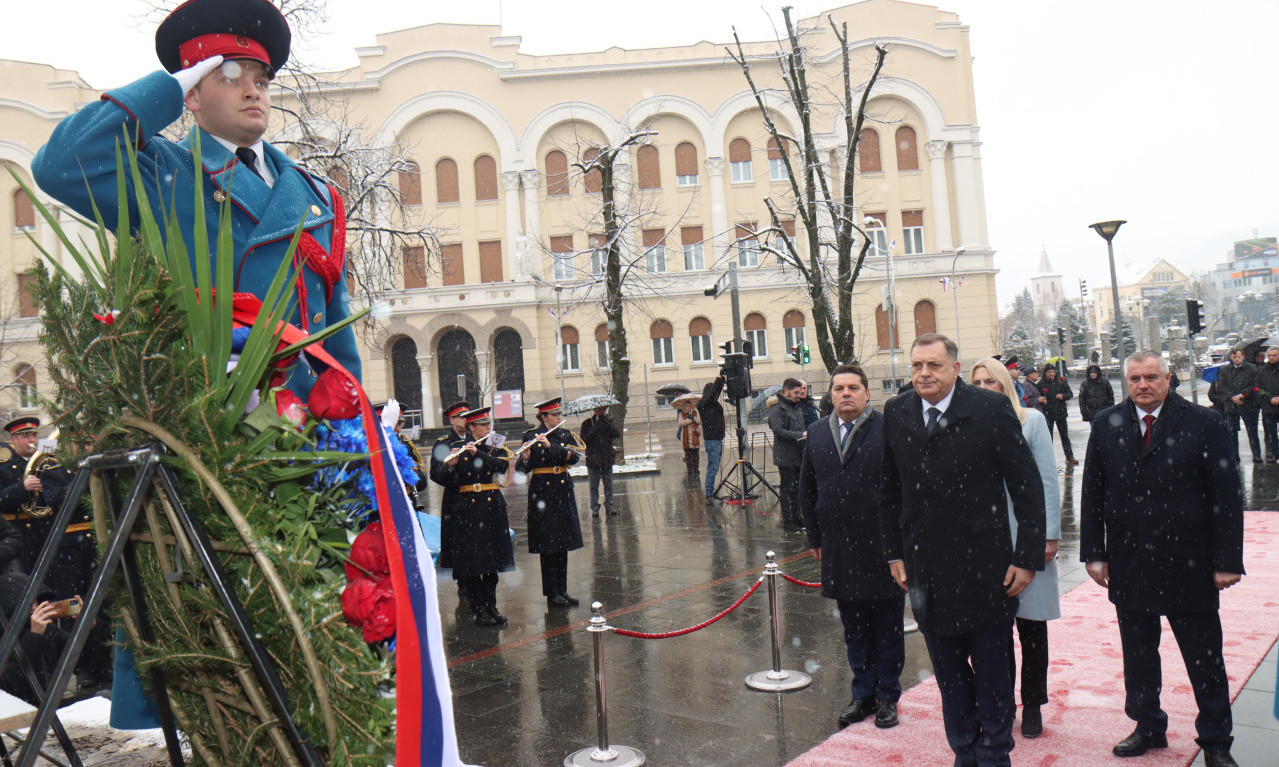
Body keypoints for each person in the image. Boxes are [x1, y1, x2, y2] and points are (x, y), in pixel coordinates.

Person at [32, 0, 360, 395]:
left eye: (261, 82)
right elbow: (58, 164)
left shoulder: (317, 195)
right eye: (230, 78)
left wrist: (352, 419)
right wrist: (168, 89)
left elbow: (337, 338)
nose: (252, 92)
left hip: (306, 421)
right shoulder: (161, 174)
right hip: (208, 416)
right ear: (192, 96)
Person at [879, 334, 1045, 767]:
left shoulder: (989, 409)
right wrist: (894, 552)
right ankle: (965, 750)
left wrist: (1027, 557)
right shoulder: (897, 412)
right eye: (917, 365)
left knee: (992, 672)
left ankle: (995, 752)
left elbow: (1026, 487)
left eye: (933, 365)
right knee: (949, 675)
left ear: (955, 368)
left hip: (985, 566)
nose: (924, 374)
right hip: (926, 568)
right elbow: (889, 489)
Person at [1080, 351, 1244, 767]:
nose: (1143, 385)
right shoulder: (1106, 423)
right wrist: (1094, 553)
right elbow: (1092, 492)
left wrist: (1227, 559)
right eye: (1135, 378)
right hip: (1130, 560)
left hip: (1189, 561)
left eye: (1151, 377)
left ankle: (1216, 740)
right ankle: (1148, 725)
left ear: (1168, 379)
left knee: (1204, 658)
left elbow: (1227, 495)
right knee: (1138, 655)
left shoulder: (1204, 422)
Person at [799, 364, 904, 730]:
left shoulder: (887, 429)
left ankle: (888, 696)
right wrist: (814, 537)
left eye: (853, 388)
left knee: (887, 627)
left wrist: (902, 545)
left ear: (867, 393)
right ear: (830, 394)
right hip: (838, 547)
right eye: (839, 388)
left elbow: (902, 487)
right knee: (854, 628)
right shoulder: (817, 432)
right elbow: (807, 488)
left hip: (882, 548)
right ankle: (863, 694)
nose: (846, 393)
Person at [970, 359, 1061, 739]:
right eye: (977, 382)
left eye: (990, 381)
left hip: (1026, 535)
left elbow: (1046, 480)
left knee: (1032, 628)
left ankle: (1034, 703)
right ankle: (1001, 702)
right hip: (984, 543)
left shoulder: (1031, 421)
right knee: (993, 634)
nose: (984, 388)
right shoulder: (966, 426)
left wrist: (1048, 535)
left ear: (1005, 384)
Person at [443, 408, 515, 627]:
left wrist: (479, 454)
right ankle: (479, 608)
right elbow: (442, 478)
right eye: (482, 425)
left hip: (492, 506)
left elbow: (502, 466)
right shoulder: (458, 448)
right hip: (469, 510)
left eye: (488, 424)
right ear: (471, 427)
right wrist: (450, 467)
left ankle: (492, 605)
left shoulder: (493, 446)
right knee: (474, 563)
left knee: (493, 562)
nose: (487, 428)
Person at [516, 398, 585, 609]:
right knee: (548, 545)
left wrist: (551, 446)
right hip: (543, 494)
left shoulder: (565, 435)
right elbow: (521, 470)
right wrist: (526, 458)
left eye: (559, 414)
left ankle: (562, 590)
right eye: (554, 414)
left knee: (562, 544)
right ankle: (551, 592)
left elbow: (574, 458)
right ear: (543, 417)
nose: (559, 417)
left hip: (562, 491)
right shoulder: (530, 436)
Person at [430, 401, 470, 600]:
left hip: (476, 497)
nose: (466, 420)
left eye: (467, 416)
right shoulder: (443, 443)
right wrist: (450, 467)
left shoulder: (474, 439)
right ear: (452, 420)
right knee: (458, 543)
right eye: (461, 417)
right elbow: (435, 474)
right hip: (455, 498)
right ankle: (463, 583)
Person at [767, 378, 807, 532]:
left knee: (797, 489)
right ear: (786, 391)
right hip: (785, 456)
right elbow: (778, 430)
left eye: (800, 392)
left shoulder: (796, 407)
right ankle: (788, 521)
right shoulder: (777, 409)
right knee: (787, 489)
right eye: (796, 392)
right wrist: (800, 435)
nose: (799, 395)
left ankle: (797, 517)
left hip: (798, 455)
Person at [1217, 348, 1261, 463]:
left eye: (1238, 356)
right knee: (1232, 432)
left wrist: (1242, 395)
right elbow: (1221, 387)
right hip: (1231, 406)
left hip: (1248, 404)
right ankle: (1234, 455)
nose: (1236, 359)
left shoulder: (1252, 368)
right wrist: (1232, 397)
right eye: (1234, 357)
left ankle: (1256, 454)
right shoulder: (1224, 370)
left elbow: (1255, 385)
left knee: (1252, 432)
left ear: (1243, 356)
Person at [580, 406, 619, 517]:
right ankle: (595, 508)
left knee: (609, 485)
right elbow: (583, 440)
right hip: (593, 460)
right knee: (593, 486)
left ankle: (609, 506)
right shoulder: (587, 423)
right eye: (600, 409)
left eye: (604, 409)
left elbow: (616, 434)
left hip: (607, 459)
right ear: (595, 410)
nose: (602, 412)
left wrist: (607, 423)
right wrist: (594, 429)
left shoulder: (608, 421)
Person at [1035, 365, 1077, 465]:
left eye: (1053, 372)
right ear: (1045, 373)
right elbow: (1037, 398)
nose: (1051, 374)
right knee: (1048, 437)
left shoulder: (1061, 382)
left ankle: (1069, 456)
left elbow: (1070, 394)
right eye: (1049, 372)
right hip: (1048, 414)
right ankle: (1048, 458)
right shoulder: (1040, 384)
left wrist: (1063, 396)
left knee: (1064, 436)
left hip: (1061, 412)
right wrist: (1042, 400)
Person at [697, 376, 727, 499]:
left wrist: (721, 382)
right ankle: (709, 492)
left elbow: (715, 393)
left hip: (717, 438)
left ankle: (710, 491)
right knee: (713, 467)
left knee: (714, 466)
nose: (716, 396)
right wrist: (720, 380)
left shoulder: (711, 404)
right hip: (712, 439)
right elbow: (714, 392)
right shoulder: (704, 403)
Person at [1258, 346, 1279, 463]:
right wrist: (1269, 398)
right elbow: (1258, 388)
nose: (1271, 358)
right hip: (1268, 407)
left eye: (1274, 355)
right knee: (1270, 433)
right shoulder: (1262, 371)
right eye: (1269, 355)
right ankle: (1272, 453)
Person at [676, 400, 702, 476]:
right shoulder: (681, 414)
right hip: (686, 437)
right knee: (688, 455)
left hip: (695, 436)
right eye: (686, 406)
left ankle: (696, 469)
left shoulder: (695, 412)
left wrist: (693, 417)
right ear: (684, 407)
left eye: (689, 406)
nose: (688, 407)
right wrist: (689, 420)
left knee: (696, 455)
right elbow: (681, 423)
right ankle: (690, 470)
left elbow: (699, 421)